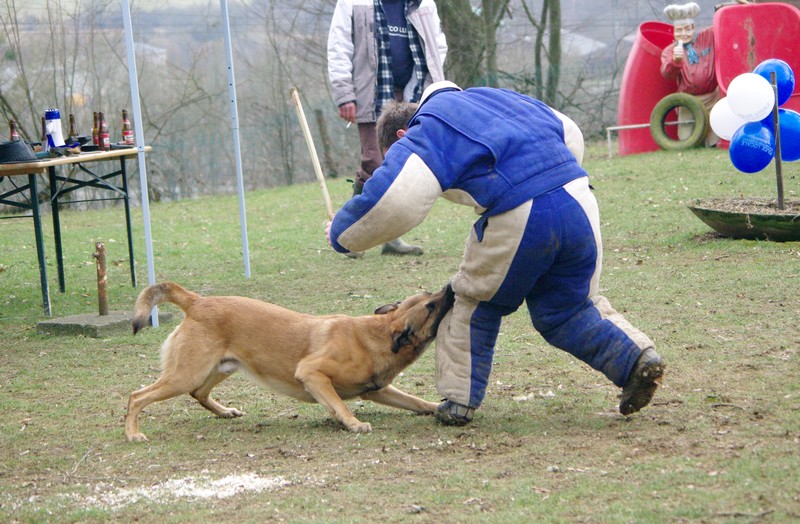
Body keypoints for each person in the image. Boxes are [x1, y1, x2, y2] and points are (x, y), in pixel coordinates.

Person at [325, 82, 665, 425]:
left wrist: (341, 233)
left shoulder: (427, 127)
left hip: (521, 210)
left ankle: (459, 401)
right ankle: (635, 358)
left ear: (401, 136)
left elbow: (395, 198)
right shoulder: (496, 97)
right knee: (568, 309)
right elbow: (570, 133)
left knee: (470, 302)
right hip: (579, 200)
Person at [327, 0, 447, 255]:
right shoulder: (354, 3)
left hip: (413, 94)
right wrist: (344, 94)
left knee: (405, 164)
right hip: (370, 92)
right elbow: (338, 46)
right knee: (373, 161)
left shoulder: (423, 3)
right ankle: (350, 235)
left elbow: (437, 44)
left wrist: (433, 84)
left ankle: (391, 238)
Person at [660, 2, 719, 147]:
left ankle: (712, 146)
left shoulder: (707, 37)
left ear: (693, 28)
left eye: (687, 29)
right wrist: (675, 61)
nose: (683, 34)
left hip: (712, 97)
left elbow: (724, 23)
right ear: (674, 32)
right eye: (679, 30)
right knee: (686, 137)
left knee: (714, 133)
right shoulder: (669, 51)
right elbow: (666, 74)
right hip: (688, 100)